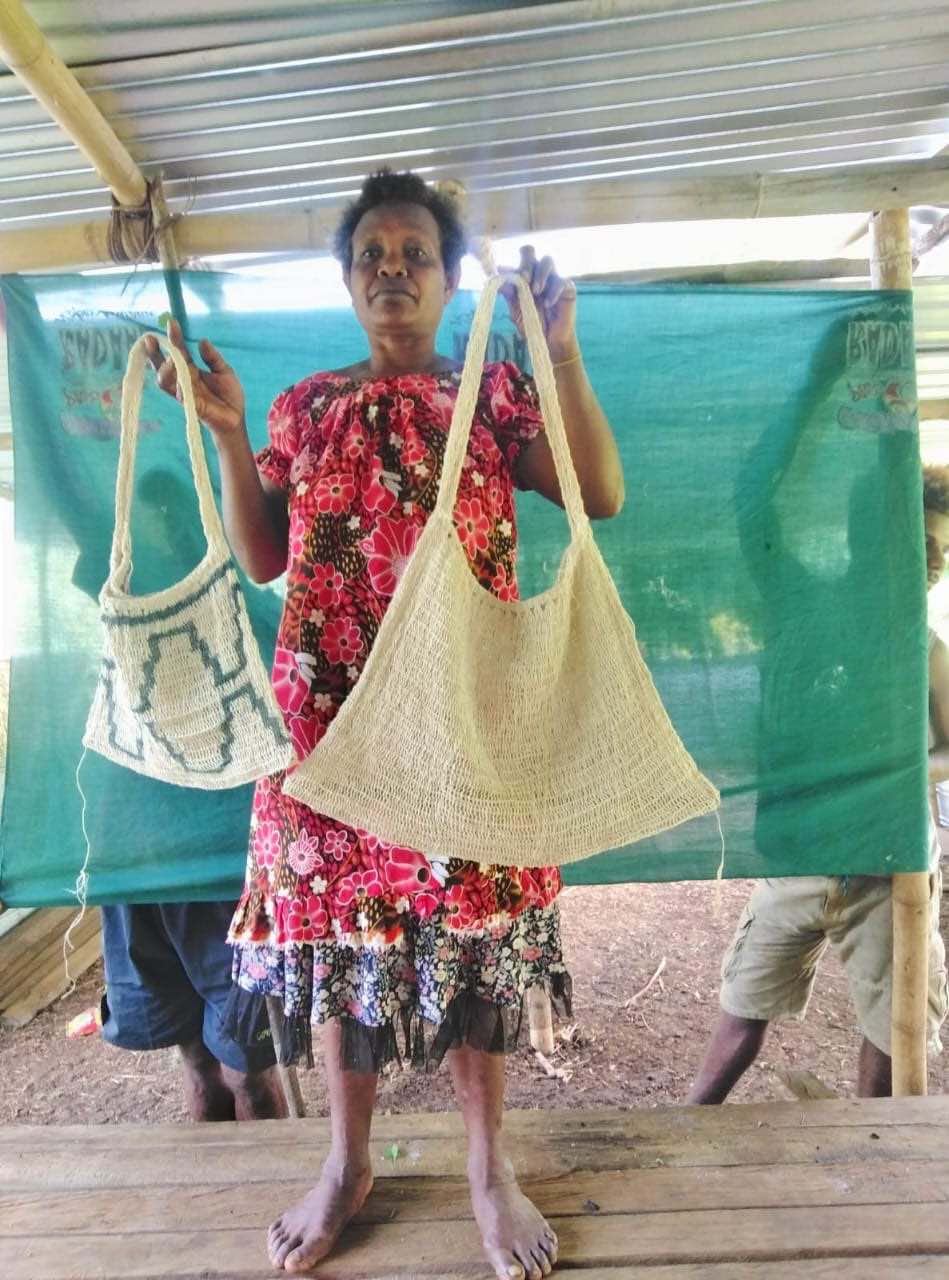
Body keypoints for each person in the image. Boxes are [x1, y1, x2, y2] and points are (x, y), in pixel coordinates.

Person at [146, 168, 623, 1280]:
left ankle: (483, 1167)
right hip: (330, 727)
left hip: (464, 721)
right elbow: (266, 557)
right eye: (372, 256)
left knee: (474, 938)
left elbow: (598, 491)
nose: (393, 271)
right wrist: (223, 434)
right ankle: (346, 1161)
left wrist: (557, 352)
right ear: (349, 282)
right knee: (335, 936)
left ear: (452, 280)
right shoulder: (303, 407)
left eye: (415, 254)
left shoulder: (491, 398)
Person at [687, 465, 949, 1104]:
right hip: (798, 864)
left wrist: (899, 770)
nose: (934, 563)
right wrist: (814, 384)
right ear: (871, 537)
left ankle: (872, 1140)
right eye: (923, 544)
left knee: (895, 1028)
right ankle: (689, 1123)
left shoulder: (926, 650)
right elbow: (751, 506)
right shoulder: (807, 609)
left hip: (888, 877)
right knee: (743, 1005)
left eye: (942, 548)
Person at [99, 901, 288, 1121]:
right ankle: (212, 1155)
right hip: (138, 895)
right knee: (198, 1062)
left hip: (223, 891)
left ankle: (265, 1153)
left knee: (248, 1075)